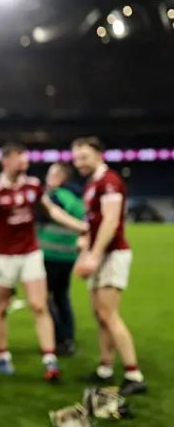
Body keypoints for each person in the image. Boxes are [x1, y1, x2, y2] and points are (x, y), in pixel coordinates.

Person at [0, 142, 88, 381]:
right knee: (2, 306)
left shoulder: (33, 185)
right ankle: (3, 355)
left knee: (39, 304)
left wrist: (83, 227)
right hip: (4, 257)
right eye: (19, 157)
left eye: (25, 158)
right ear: (6, 161)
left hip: (30, 253)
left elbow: (53, 212)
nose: (25, 161)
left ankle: (50, 358)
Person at [71, 137, 147, 395]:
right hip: (101, 254)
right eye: (76, 158)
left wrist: (94, 255)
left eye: (84, 157)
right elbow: (93, 223)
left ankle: (134, 374)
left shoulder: (110, 181)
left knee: (109, 314)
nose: (78, 163)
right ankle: (105, 368)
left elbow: (111, 221)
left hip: (113, 254)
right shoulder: (93, 184)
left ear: (99, 155)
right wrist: (86, 253)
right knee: (100, 314)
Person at [36, 163, 85, 356]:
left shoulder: (57, 196)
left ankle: (58, 338)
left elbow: (42, 215)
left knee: (45, 299)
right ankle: (68, 338)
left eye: (50, 174)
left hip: (50, 253)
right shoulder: (76, 197)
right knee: (62, 297)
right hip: (68, 255)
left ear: (59, 177)